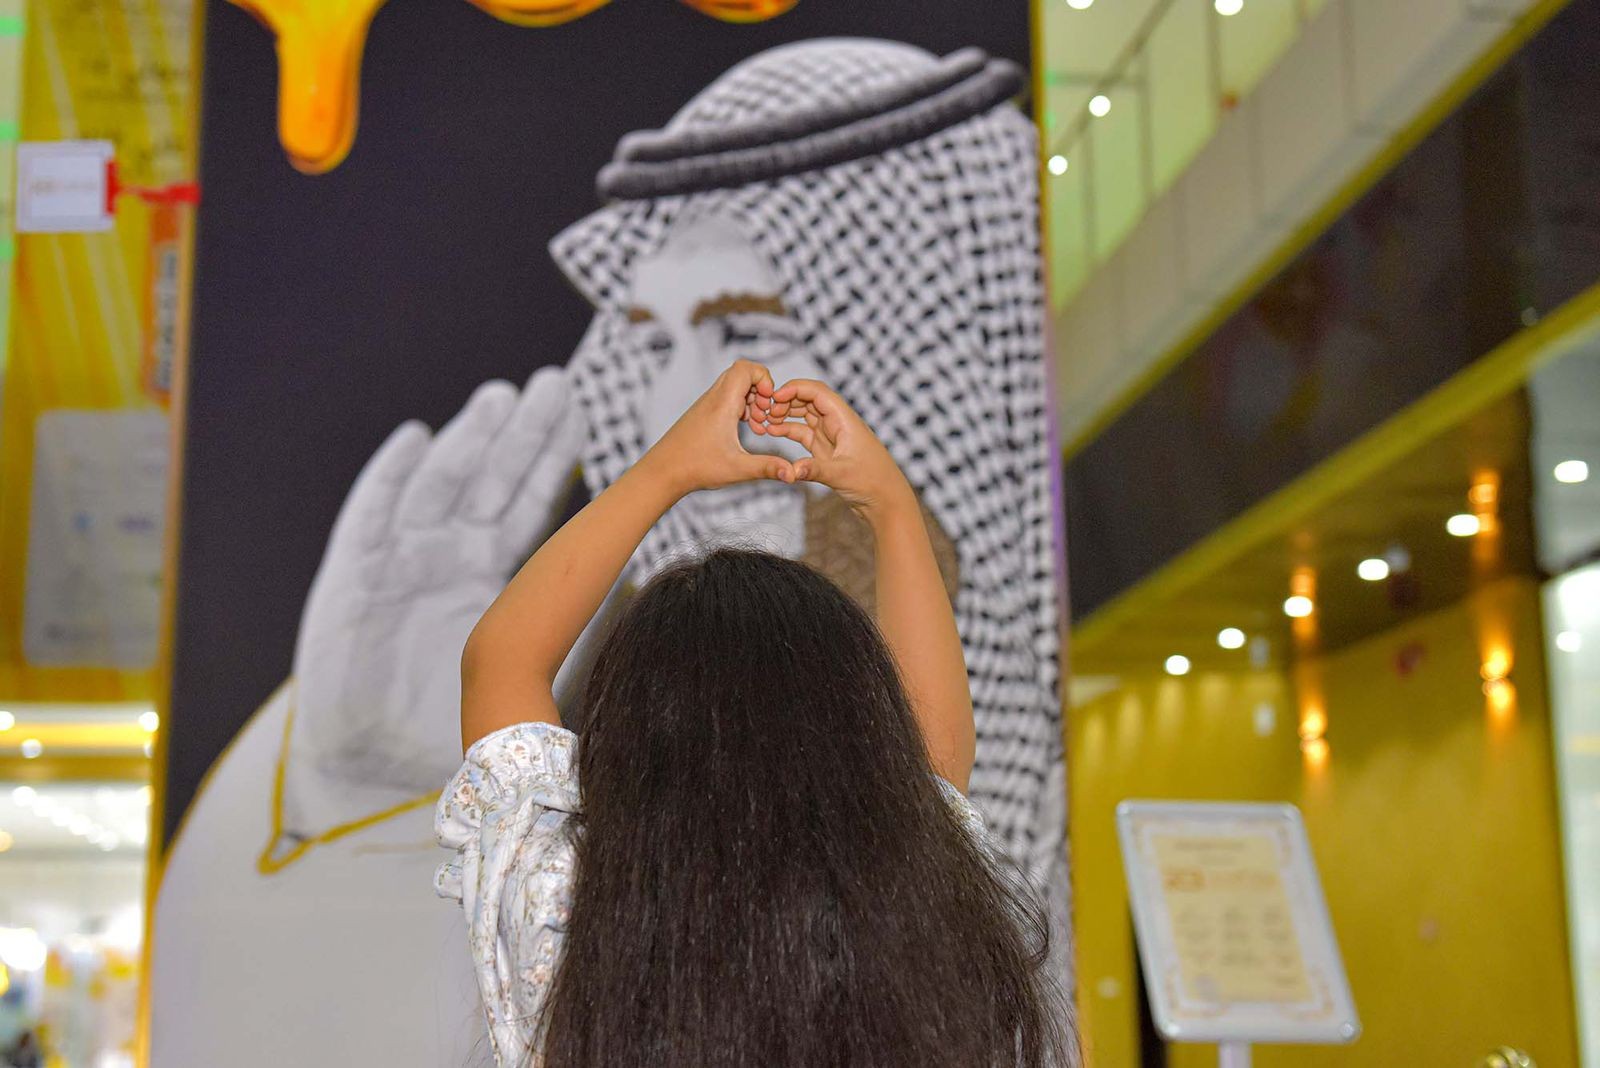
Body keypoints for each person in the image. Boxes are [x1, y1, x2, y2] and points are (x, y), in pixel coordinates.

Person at [436, 361, 1073, 1067]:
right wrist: (891, 506)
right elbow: (935, 760)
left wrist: (667, 471)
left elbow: (500, 663)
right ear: (861, 720)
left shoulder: (568, 905)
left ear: (629, 730)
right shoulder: (911, 902)